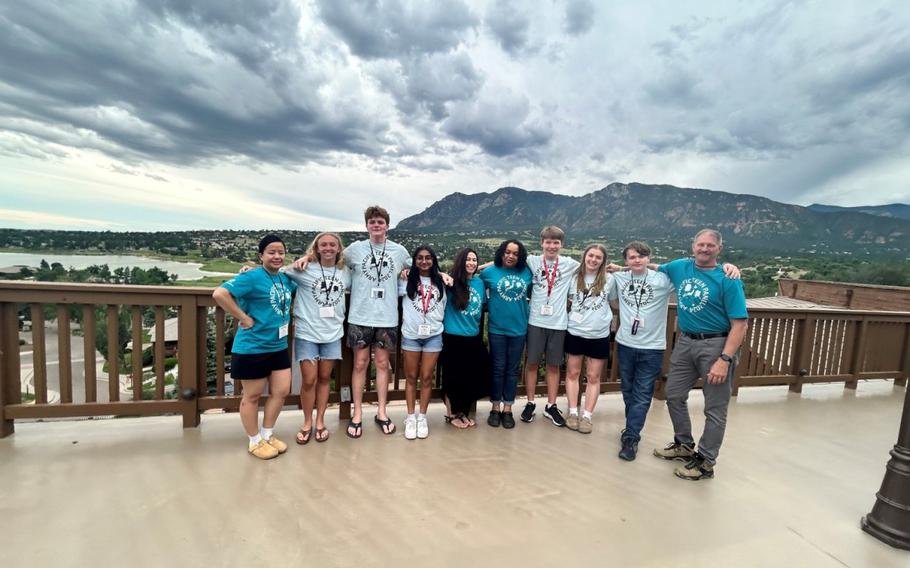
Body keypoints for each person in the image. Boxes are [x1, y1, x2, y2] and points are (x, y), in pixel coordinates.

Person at [294, 205, 410, 439]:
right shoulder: (355, 250)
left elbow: (417, 265)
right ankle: (357, 413)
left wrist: (409, 272)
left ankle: (381, 412)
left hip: (387, 317)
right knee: (359, 364)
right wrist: (307, 256)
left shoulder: (399, 251)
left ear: (387, 225)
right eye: (372, 222)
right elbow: (328, 255)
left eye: (380, 222)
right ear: (366, 225)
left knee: (382, 364)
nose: (376, 225)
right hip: (359, 316)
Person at [652, 229, 748, 480]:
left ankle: (706, 461)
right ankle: (684, 444)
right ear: (693, 246)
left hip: (716, 344)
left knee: (715, 408)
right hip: (686, 341)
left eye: (710, 245)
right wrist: (620, 267)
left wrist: (724, 359)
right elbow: (653, 266)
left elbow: (740, 324)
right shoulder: (680, 266)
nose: (704, 249)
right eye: (700, 244)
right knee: (673, 394)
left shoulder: (728, 279)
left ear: (719, 248)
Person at [213, 234, 297, 460]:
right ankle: (254, 440)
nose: (277, 256)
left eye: (281, 252)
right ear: (261, 255)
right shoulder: (251, 277)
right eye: (271, 252)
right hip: (252, 347)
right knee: (252, 396)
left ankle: (267, 434)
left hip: (278, 346)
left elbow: (301, 270)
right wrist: (243, 317)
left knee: (280, 392)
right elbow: (220, 294)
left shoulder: (285, 279)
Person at [608, 241, 674, 460]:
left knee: (643, 393)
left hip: (652, 347)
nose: (637, 260)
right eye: (632, 257)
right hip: (625, 344)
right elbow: (613, 299)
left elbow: (689, 273)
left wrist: (729, 268)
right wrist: (619, 270)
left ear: (648, 258)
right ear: (626, 260)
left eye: (641, 256)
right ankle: (632, 429)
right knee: (628, 390)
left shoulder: (663, 279)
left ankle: (631, 438)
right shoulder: (620, 277)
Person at [283, 232, 350, 445]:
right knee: (309, 380)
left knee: (324, 379)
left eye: (332, 244)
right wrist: (304, 259)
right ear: (316, 248)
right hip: (307, 333)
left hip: (332, 333)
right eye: (323, 245)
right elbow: (277, 273)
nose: (328, 248)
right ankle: (306, 422)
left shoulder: (346, 271)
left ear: (339, 248)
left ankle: (320, 421)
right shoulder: (304, 268)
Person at [521, 226, 580, 426]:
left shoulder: (570, 264)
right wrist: (477, 268)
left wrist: (620, 268)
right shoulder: (533, 260)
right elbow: (502, 260)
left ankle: (551, 405)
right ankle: (530, 402)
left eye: (556, 242)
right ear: (542, 243)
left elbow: (595, 266)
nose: (552, 246)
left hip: (559, 323)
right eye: (548, 242)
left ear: (562, 244)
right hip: (535, 322)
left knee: (553, 365)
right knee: (532, 364)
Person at [478, 240, 533, 429]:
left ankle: (508, 408)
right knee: (498, 368)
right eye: (507, 252)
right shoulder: (489, 273)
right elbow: (470, 278)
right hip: (497, 329)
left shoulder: (527, 272)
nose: (511, 256)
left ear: (520, 256)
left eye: (515, 254)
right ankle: (495, 407)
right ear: (501, 253)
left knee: (512, 369)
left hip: (519, 329)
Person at [564, 243, 613, 435]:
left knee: (593, 377)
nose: (593, 260)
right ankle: (573, 412)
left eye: (598, 257)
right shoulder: (574, 278)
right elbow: (569, 298)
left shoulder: (610, 280)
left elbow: (614, 300)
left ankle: (587, 416)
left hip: (599, 334)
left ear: (603, 261)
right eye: (590, 255)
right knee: (572, 373)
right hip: (575, 331)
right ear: (584, 256)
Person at [398, 246, 447, 440]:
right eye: (420, 258)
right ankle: (410, 417)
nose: (424, 261)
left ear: (434, 260)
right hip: (411, 335)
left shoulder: (441, 281)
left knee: (427, 377)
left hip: (433, 335)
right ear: (414, 260)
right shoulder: (405, 280)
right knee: (411, 377)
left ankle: (422, 417)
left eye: (428, 258)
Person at [441, 248, 490, 429]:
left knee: (470, 377)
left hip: (473, 336)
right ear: (460, 261)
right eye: (467, 259)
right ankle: (451, 413)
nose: (471, 262)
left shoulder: (479, 282)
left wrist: (478, 267)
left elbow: (497, 262)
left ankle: (462, 412)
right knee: (453, 377)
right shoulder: (451, 282)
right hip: (453, 336)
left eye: (474, 260)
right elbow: (433, 274)